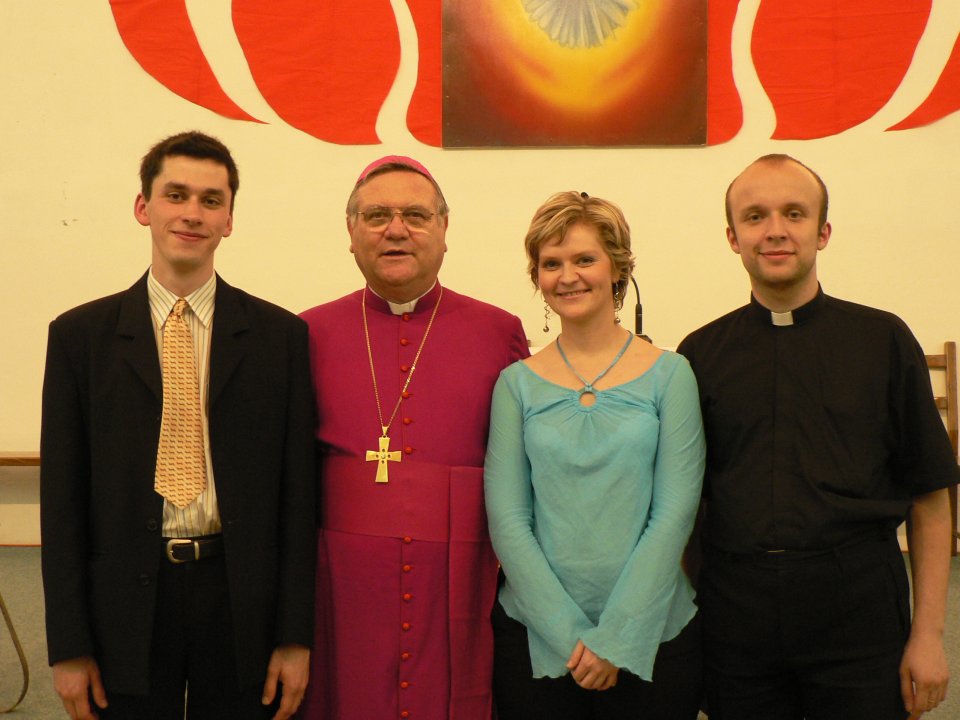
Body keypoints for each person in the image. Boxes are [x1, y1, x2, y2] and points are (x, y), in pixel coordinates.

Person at [40, 131, 317, 720]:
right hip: (124, 607)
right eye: (176, 195)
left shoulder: (281, 339)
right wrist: (68, 646)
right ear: (143, 207)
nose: (193, 213)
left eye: (211, 201)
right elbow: (61, 505)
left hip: (241, 604)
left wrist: (295, 638)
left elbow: (298, 501)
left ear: (229, 220)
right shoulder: (79, 339)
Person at [677, 154, 958, 720]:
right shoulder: (699, 354)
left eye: (794, 213)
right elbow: (684, 507)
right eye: (755, 216)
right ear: (732, 238)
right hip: (737, 613)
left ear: (823, 232)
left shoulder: (882, 340)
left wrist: (929, 635)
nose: (775, 230)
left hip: (858, 608)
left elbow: (930, 498)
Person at [297, 156, 529, 720]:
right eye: (377, 215)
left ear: (444, 229)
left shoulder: (498, 332)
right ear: (350, 231)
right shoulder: (305, 333)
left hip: (459, 583)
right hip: (341, 591)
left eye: (416, 216)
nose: (396, 229)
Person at [483, 191, 706, 720]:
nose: (568, 277)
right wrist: (570, 637)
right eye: (551, 263)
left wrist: (616, 639)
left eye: (584, 259)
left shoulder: (672, 374)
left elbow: (674, 514)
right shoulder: (515, 384)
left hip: (655, 635)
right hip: (538, 639)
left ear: (618, 267)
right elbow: (508, 521)